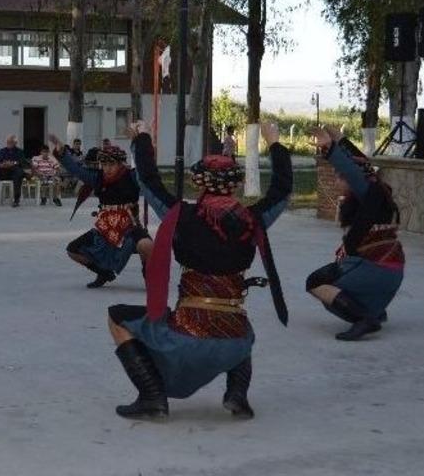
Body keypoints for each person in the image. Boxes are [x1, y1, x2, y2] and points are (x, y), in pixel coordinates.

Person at [103, 121, 292, 420]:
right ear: (236, 184)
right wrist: (275, 143)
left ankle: (153, 398)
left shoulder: (181, 216)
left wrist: (141, 138)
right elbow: (282, 190)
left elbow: (150, 183)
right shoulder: (252, 221)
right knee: (239, 322)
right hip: (236, 343)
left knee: (118, 317)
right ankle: (238, 394)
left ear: (199, 184)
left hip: (188, 339)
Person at [306, 127, 404, 341]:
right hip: (387, 270)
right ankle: (375, 309)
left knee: (315, 283)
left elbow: (354, 171)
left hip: (377, 269)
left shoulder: (369, 193)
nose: (337, 182)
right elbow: (363, 165)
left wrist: (330, 148)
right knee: (329, 277)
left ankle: (365, 318)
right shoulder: (377, 193)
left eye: (339, 178)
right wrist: (341, 140)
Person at [50, 135, 152, 288]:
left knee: (146, 245)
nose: (107, 168)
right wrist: (62, 151)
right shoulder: (97, 178)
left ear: (120, 164)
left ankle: (151, 280)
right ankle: (104, 272)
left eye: (111, 164)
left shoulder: (131, 176)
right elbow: (76, 169)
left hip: (129, 227)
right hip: (104, 229)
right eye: (104, 164)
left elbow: (146, 170)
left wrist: (145, 144)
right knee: (73, 250)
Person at [0, 134, 26, 207]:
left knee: (18, 173)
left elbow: (22, 162)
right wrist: (4, 164)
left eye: (11, 142)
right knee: (19, 172)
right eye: (8, 142)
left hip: (15, 174)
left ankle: (16, 199)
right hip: (4, 173)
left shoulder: (20, 151)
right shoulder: (2, 151)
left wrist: (13, 163)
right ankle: (16, 199)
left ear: (15, 143)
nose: (9, 143)